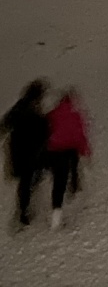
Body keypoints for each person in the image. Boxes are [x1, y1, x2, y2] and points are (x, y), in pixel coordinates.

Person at [3, 80, 48, 227]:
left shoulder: (20, 108)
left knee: (26, 181)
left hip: (20, 152)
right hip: (29, 153)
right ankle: (23, 212)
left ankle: (23, 210)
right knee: (27, 181)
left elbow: (4, 124)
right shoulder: (33, 111)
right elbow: (43, 131)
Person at [44, 89, 89, 229]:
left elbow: (46, 131)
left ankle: (56, 215)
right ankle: (74, 183)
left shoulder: (52, 114)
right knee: (72, 166)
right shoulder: (75, 115)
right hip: (69, 150)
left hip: (54, 151)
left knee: (58, 183)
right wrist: (85, 150)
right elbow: (79, 134)